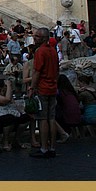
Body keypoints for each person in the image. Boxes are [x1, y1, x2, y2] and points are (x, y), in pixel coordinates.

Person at [29, 26, 58, 158]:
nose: (34, 38)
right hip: (53, 87)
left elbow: (36, 71)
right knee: (51, 118)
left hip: (43, 88)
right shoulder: (53, 51)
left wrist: (32, 88)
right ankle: (52, 147)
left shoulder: (40, 51)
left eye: (37, 37)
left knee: (42, 119)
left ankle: (44, 148)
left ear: (44, 38)